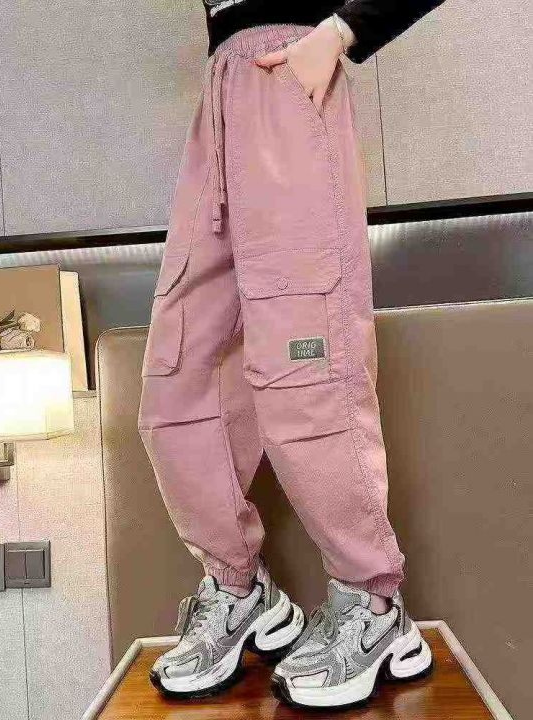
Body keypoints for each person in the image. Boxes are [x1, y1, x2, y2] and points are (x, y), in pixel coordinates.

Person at [138, 0, 443, 709]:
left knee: (306, 366)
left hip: (288, 70)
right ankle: (238, 589)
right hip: (222, 85)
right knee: (179, 375)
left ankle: (372, 604)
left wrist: (341, 31)